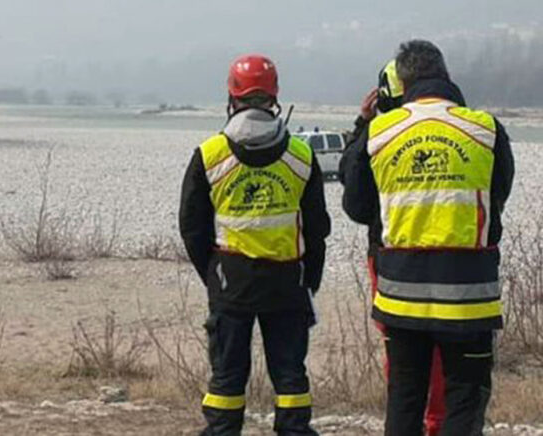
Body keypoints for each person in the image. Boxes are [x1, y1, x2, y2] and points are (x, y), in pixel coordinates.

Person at [340, 40, 514, 435]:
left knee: (404, 399)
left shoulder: (380, 132)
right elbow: (497, 197)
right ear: (446, 75)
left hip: (401, 294)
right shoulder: (485, 129)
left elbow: (356, 206)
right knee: (464, 402)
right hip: (470, 295)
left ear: (401, 81)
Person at [179, 54, 331, 436]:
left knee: (228, 376)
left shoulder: (210, 155)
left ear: (232, 95)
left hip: (231, 281)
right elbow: (317, 230)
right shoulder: (301, 156)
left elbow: (191, 227)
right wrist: (308, 280)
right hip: (288, 281)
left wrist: (213, 275)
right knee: (290, 375)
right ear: (274, 95)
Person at [341, 59, 446, 436]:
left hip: (390, 259)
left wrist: (363, 125)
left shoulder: (380, 135)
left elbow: (354, 202)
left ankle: (412, 423)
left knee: (401, 354)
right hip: (455, 258)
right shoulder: (458, 128)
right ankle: (438, 422)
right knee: (444, 352)